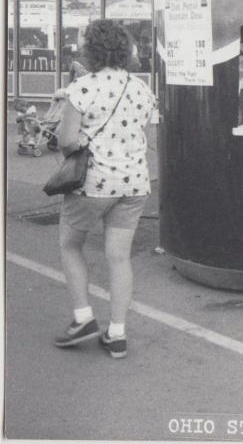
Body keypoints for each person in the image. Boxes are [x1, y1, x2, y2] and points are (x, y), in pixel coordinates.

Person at [54, 19, 156, 358]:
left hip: (94, 184)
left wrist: (77, 143)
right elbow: (144, 136)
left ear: (91, 51)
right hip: (134, 184)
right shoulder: (142, 88)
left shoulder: (82, 88)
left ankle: (83, 318)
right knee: (118, 257)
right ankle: (117, 334)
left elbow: (67, 142)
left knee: (70, 244)